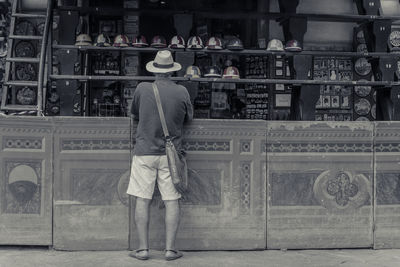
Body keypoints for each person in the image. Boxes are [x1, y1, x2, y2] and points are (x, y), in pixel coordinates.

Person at [127, 50, 193, 261]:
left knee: (142, 199)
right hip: (170, 155)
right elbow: (188, 118)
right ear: (172, 71)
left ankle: (143, 249)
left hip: (144, 152)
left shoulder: (142, 88)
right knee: (172, 200)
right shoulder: (182, 91)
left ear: (155, 70)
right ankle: (170, 250)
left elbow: (134, 114)